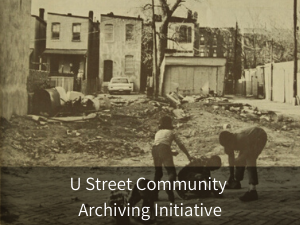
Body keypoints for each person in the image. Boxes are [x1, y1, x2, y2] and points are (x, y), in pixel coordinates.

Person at [219, 126, 267, 202]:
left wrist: (237, 160)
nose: (230, 146)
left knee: (250, 158)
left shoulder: (241, 138)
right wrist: (231, 176)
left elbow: (246, 153)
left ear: (232, 139)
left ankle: (252, 190)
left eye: (230, 143)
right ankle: (236, 182)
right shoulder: (227, 144)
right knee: (240, 160)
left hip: (259, 136)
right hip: (248, 142)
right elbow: (231, 159)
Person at [152, 116, 193, 203]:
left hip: (154, 149)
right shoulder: (171, 132)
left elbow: (159, 145)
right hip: (164, 149)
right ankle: (169, 188)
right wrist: (188, 155)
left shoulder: (158, 132)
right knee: (172, 173)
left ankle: (154, 195)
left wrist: (170, 152)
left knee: (158, 173)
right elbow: (180, 145)